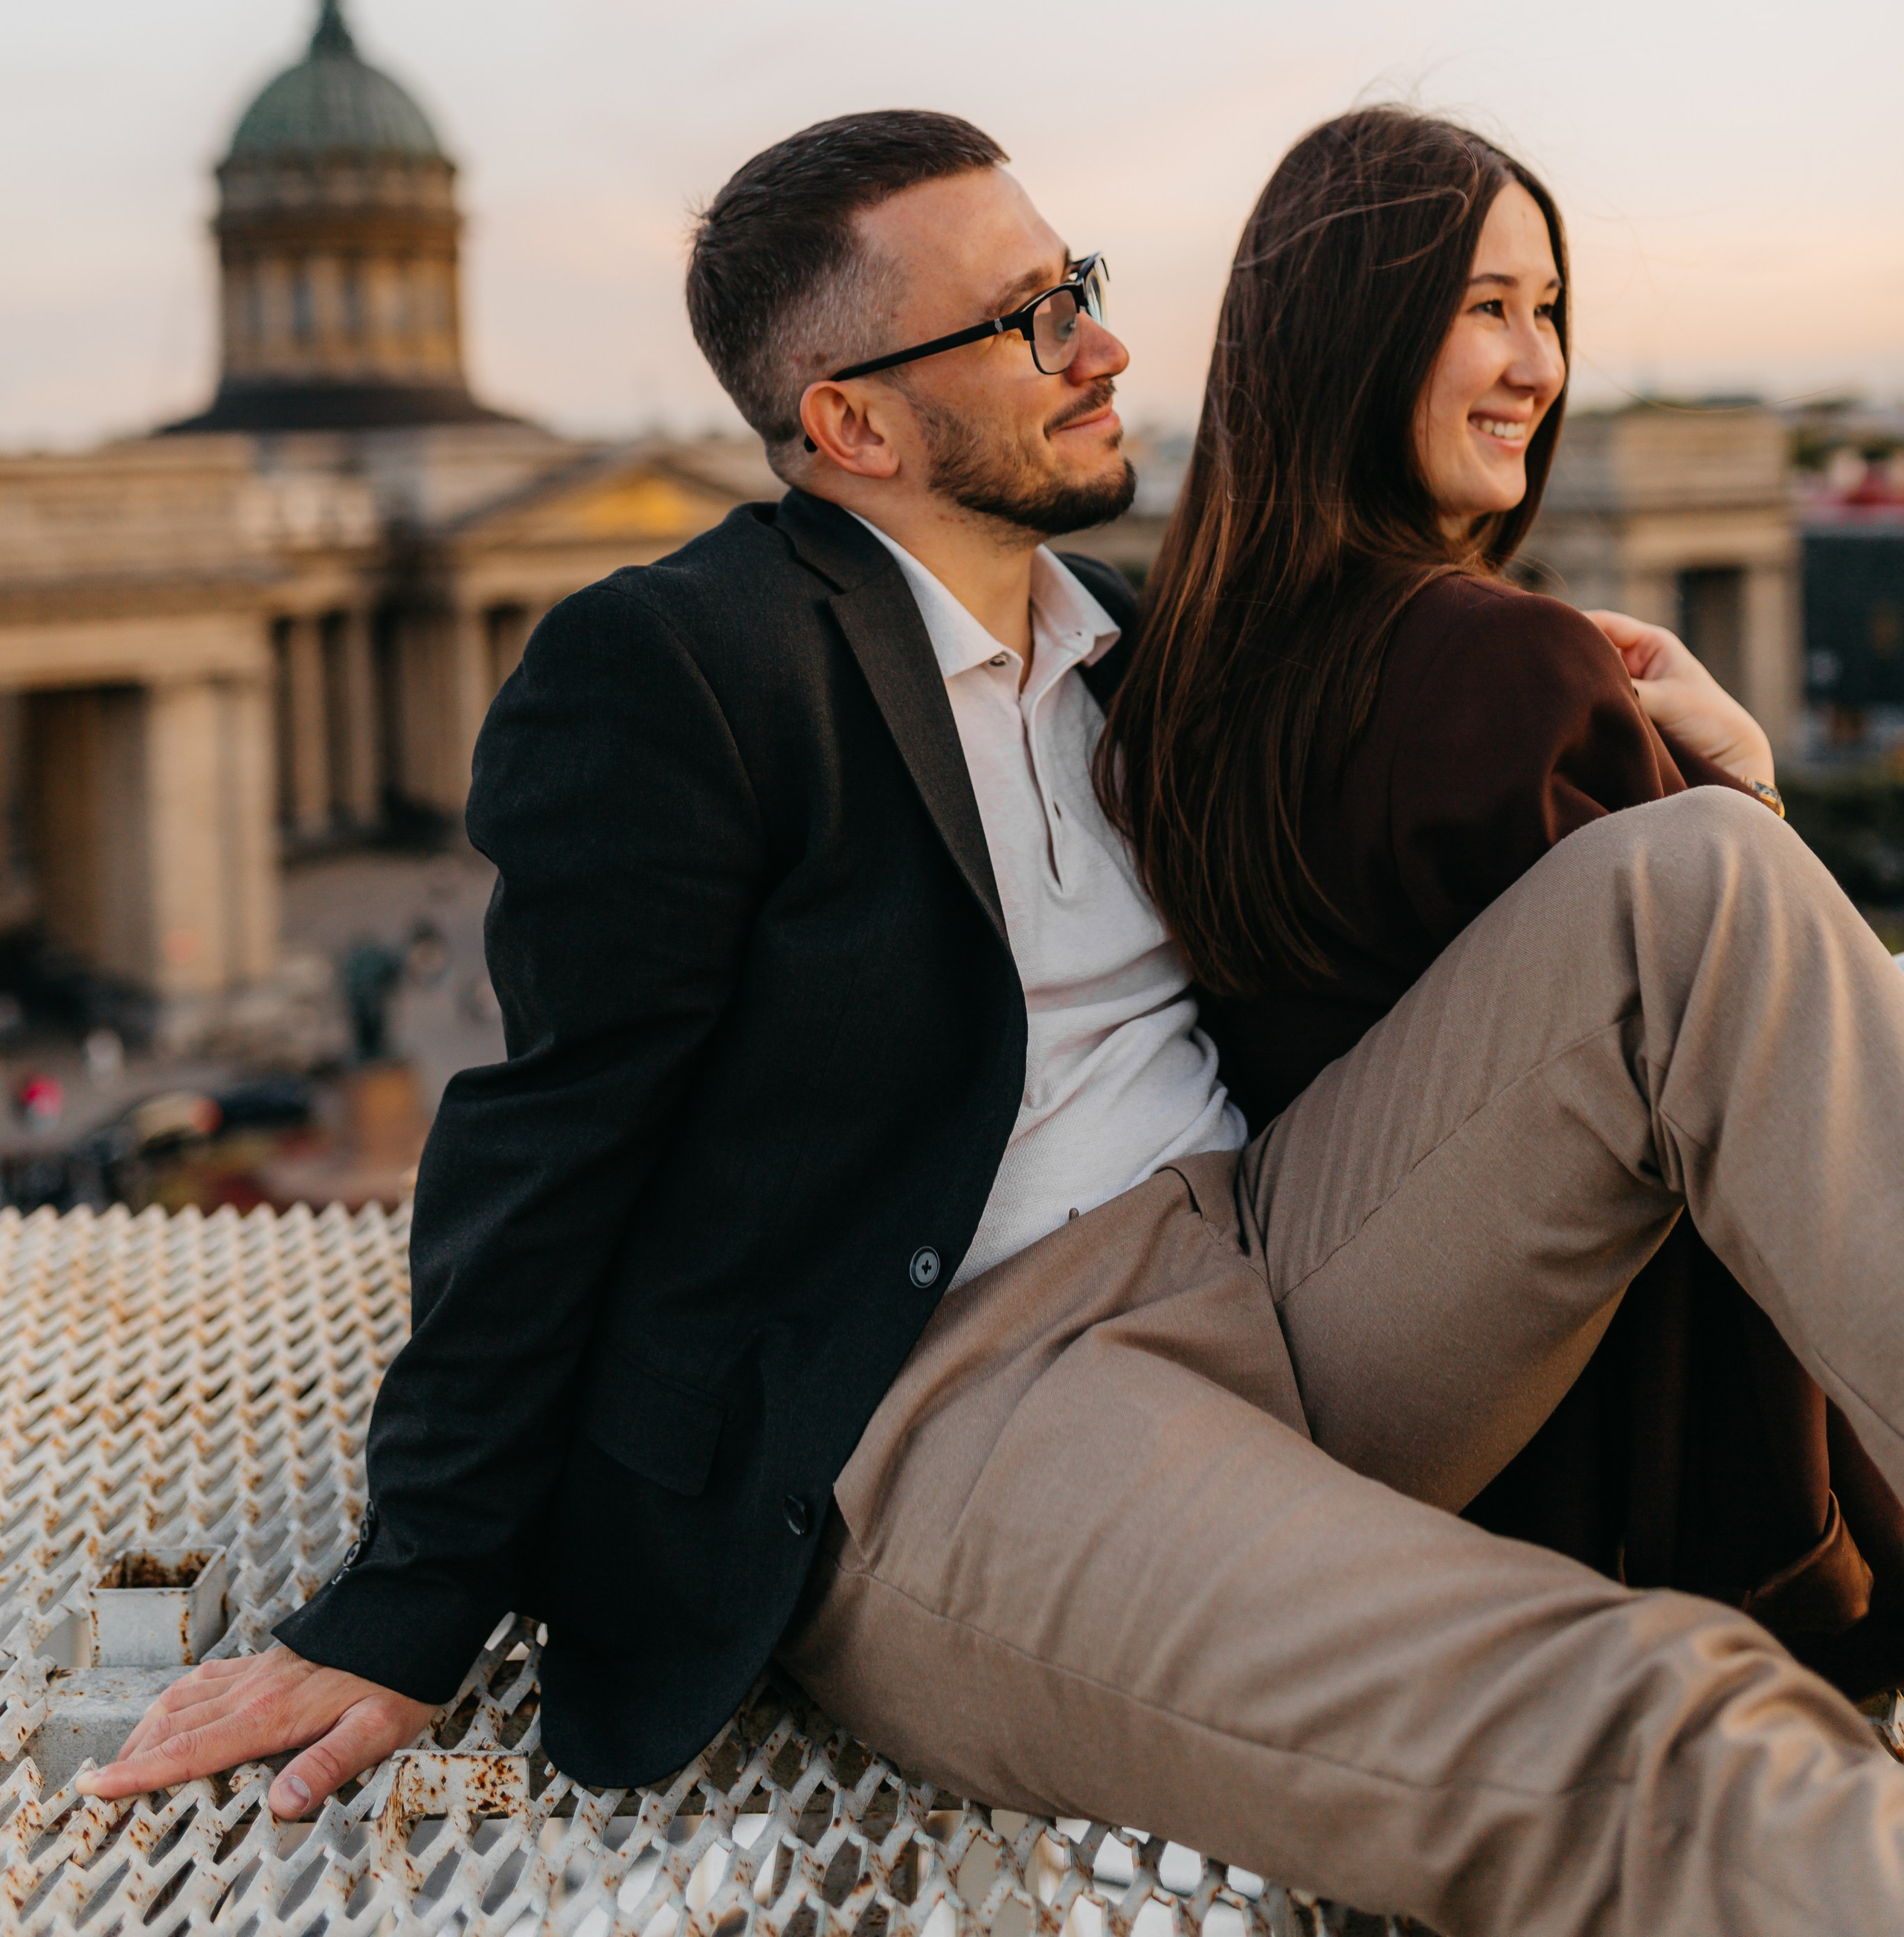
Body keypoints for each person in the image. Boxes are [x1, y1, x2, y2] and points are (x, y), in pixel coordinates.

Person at [88, 110, 1904, 1937]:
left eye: (1081, 289)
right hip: (968, 1414)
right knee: (1642, 1723)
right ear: (854, 425)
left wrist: (1718, 777)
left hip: (1275, 1264)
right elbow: (543, 1144)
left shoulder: (1128, 637)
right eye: (1030, 318)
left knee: (1697, 885)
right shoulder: (684, 663)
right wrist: (406, 1600)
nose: (1106, 345)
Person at [1100, 105, 1904, 1686]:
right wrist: (1737, 793)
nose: (1535, 364)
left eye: (1545, 313)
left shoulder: (1168, 673)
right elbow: (1755, 1176)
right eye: (1482, 307)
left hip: (1295, 1405)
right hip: (1582, 1514)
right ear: (1352, 330)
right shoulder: (1495, 665)